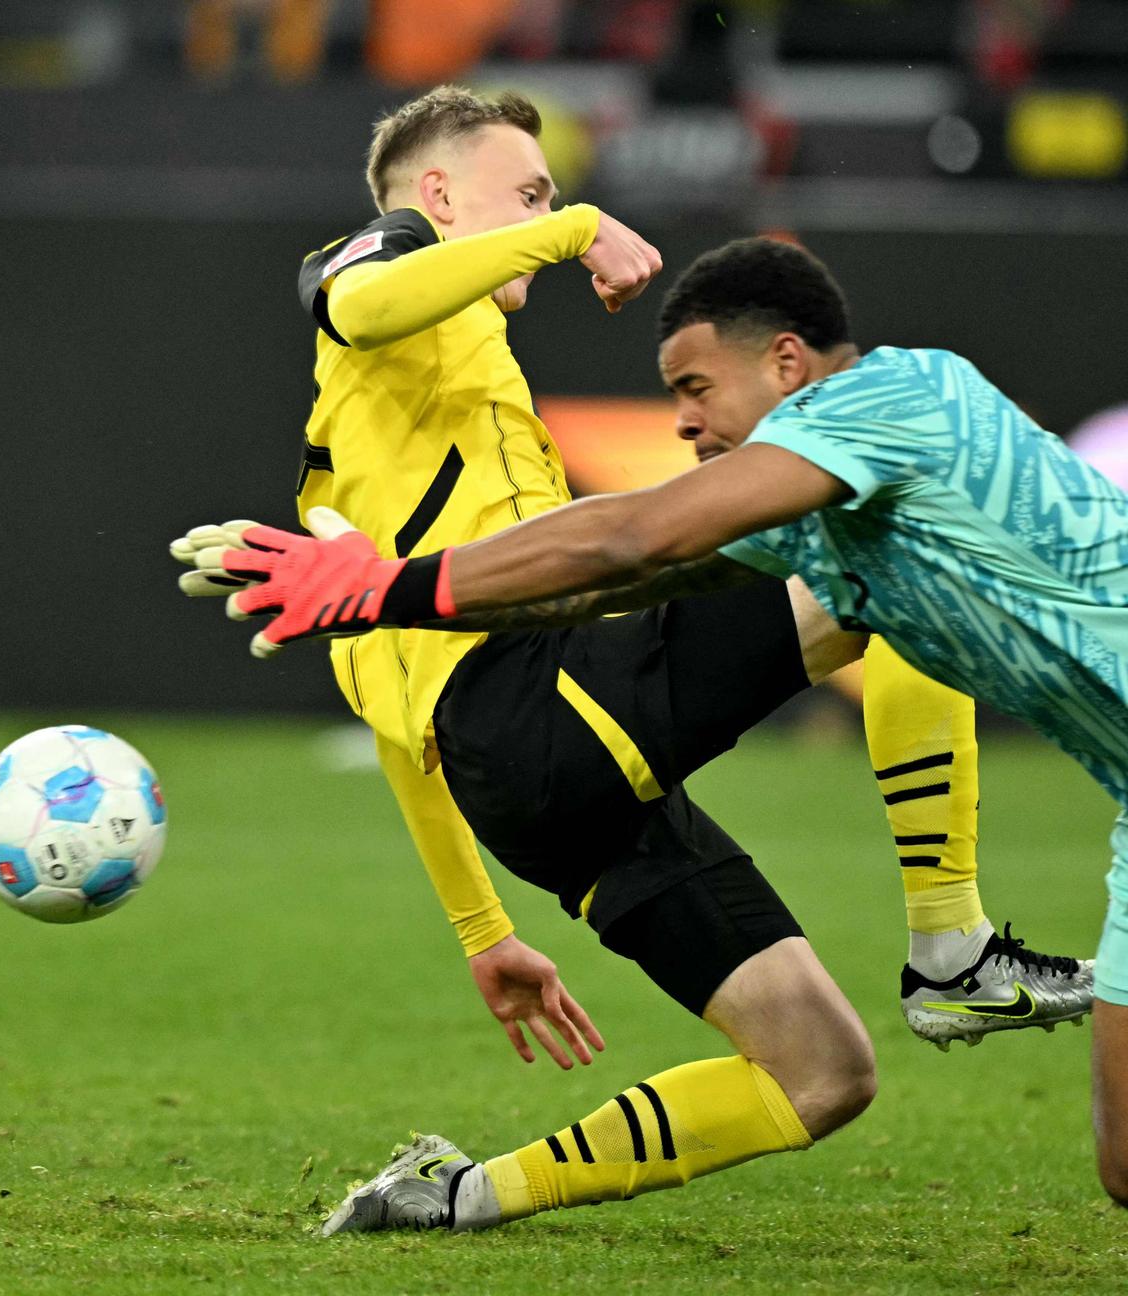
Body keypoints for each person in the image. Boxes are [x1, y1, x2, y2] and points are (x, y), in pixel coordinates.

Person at [173, 192, 1091, 1228]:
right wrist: (566, 230)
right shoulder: (399, 307)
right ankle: (951, 945)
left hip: (532, 792)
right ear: (435, 194)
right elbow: (365, 304)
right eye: (521, 186)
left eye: (695, 387)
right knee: (884, 575)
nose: (683, 419)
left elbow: (442, 715)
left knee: (822, 1072)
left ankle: (454, 1198)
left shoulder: (356, 511)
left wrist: (483, 931)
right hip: (543, 708)